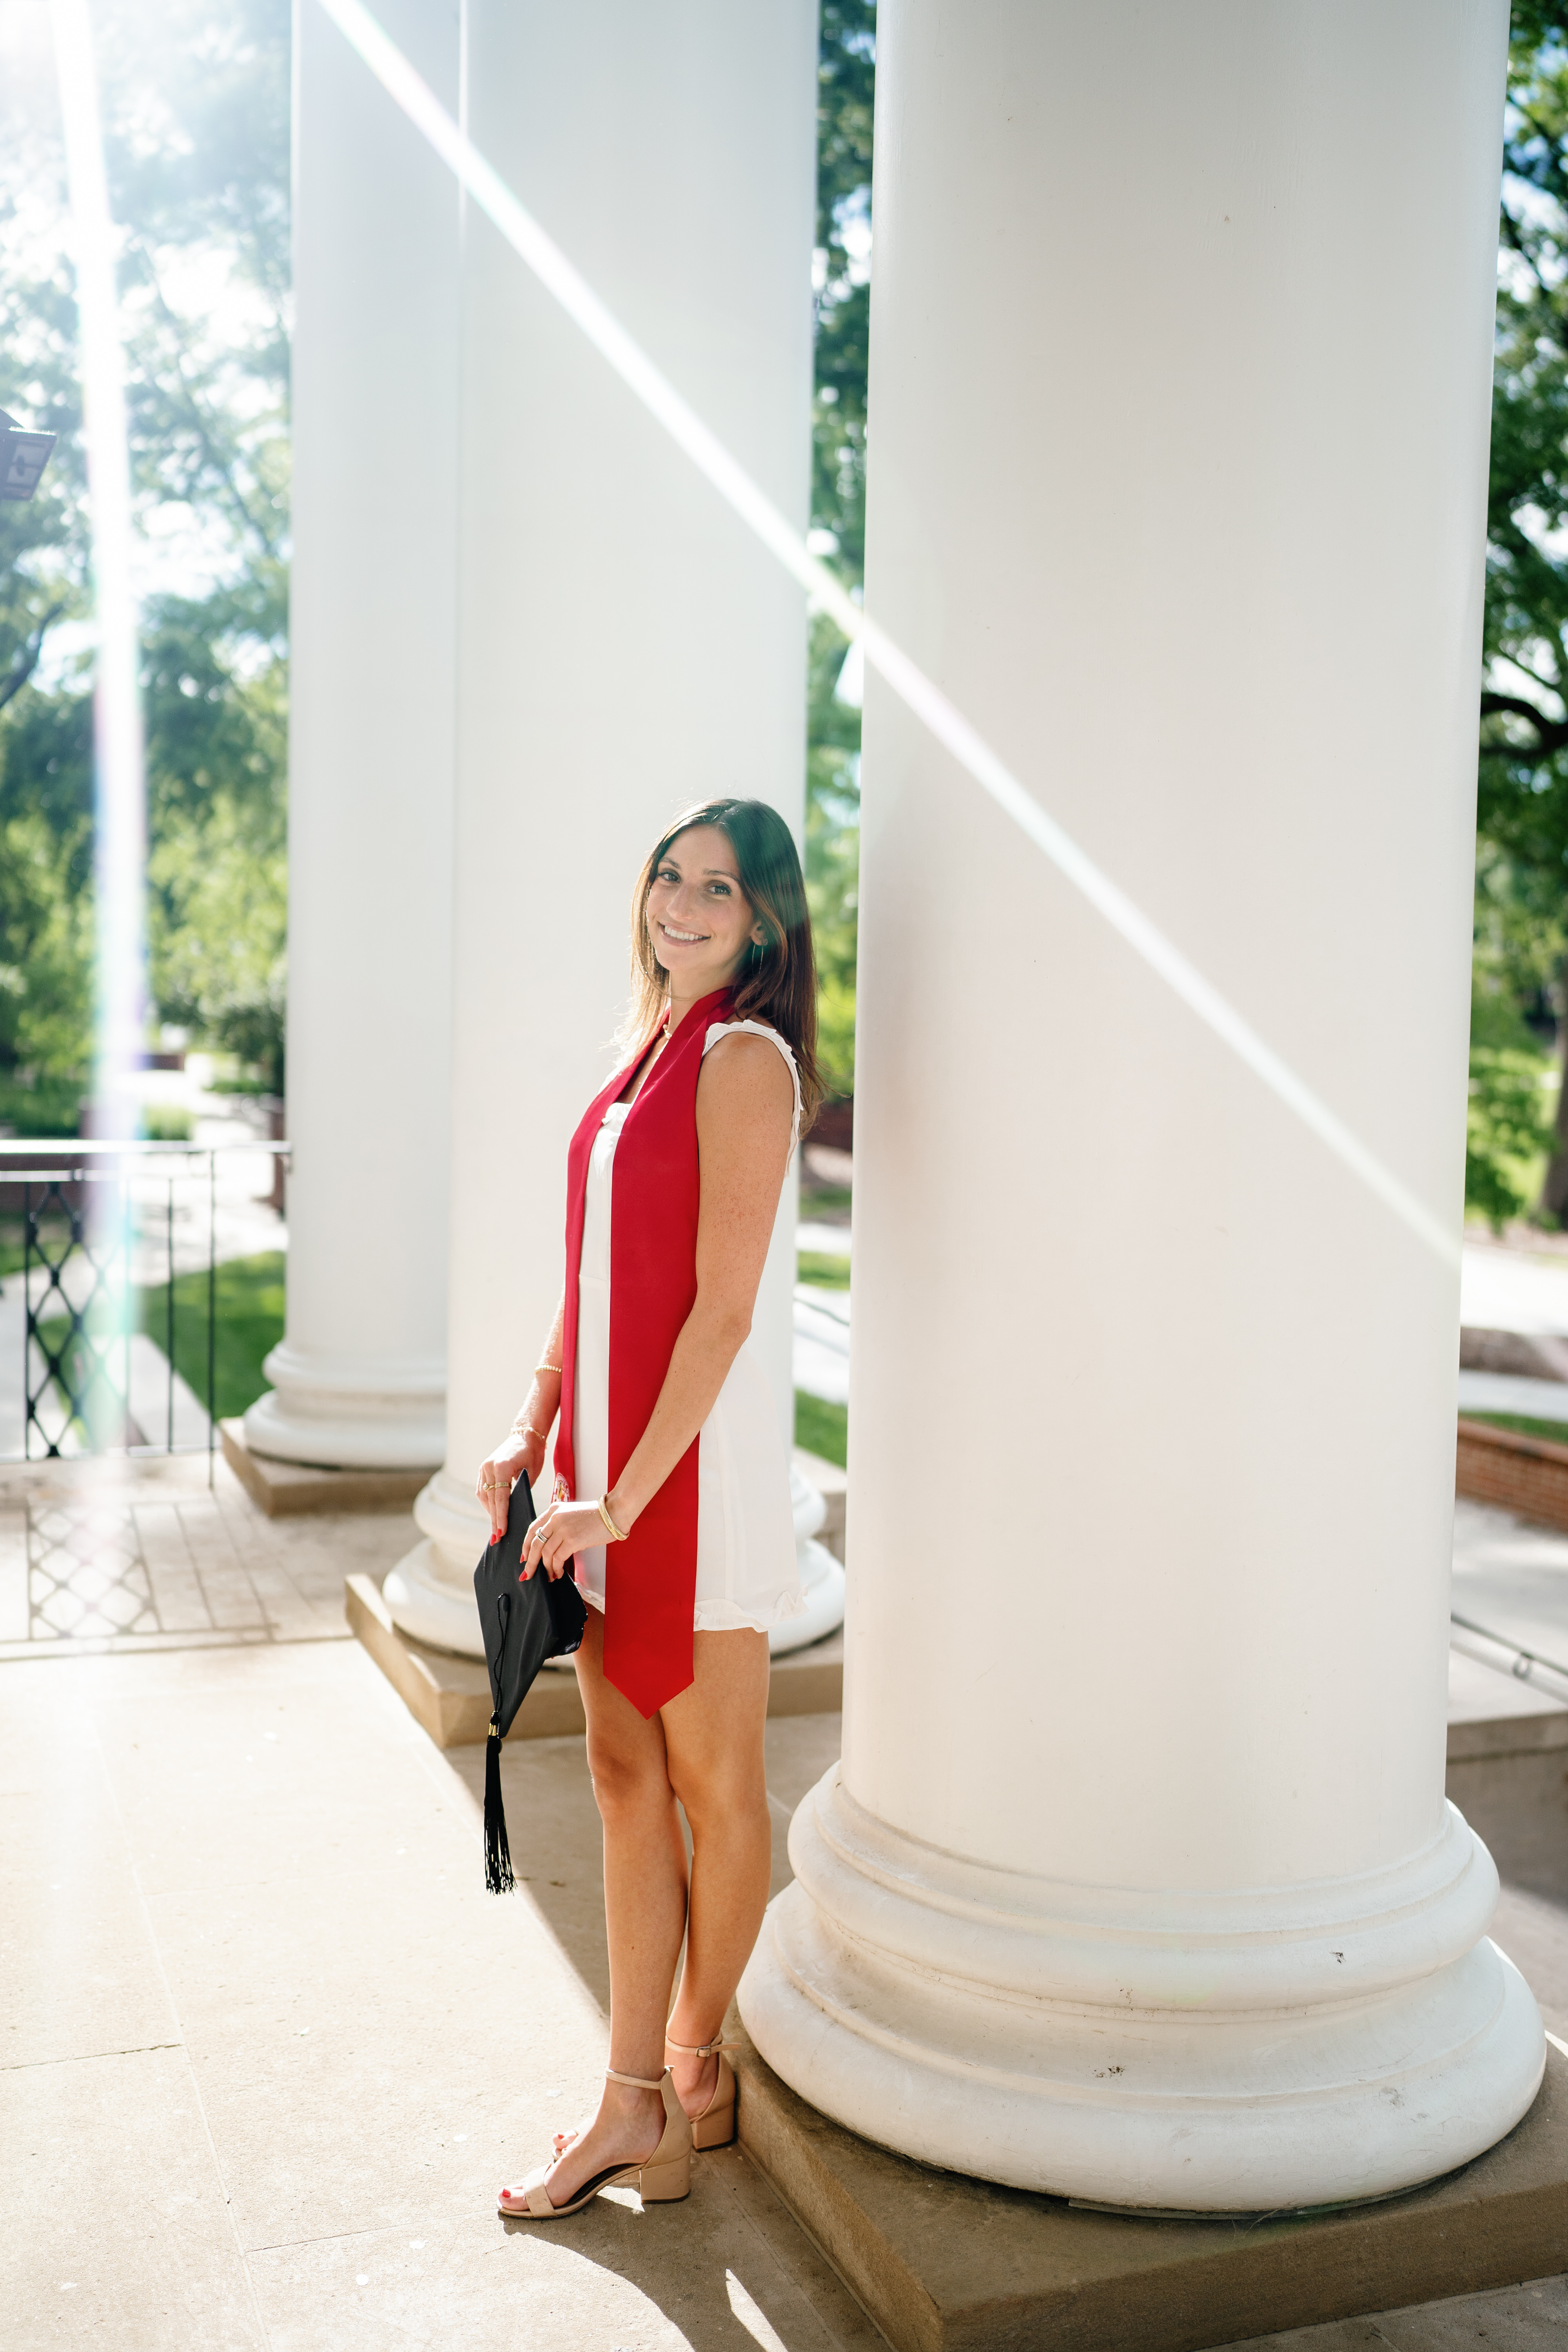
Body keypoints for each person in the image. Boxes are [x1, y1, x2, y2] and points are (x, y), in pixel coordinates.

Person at [478, 797, 822, 2221]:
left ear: (765, 924)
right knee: (622, 1778)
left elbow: (723, 1314)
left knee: (712, 1783)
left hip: (695, 1484)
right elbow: (591, 1278)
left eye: (718, 889)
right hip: (610, 1479)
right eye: (669, 878)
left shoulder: (745, 1062)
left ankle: (685, 2065)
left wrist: (619, 1499)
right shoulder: (641, 1053)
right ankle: (638, 2110)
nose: (681, 904)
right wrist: (533, 1424)